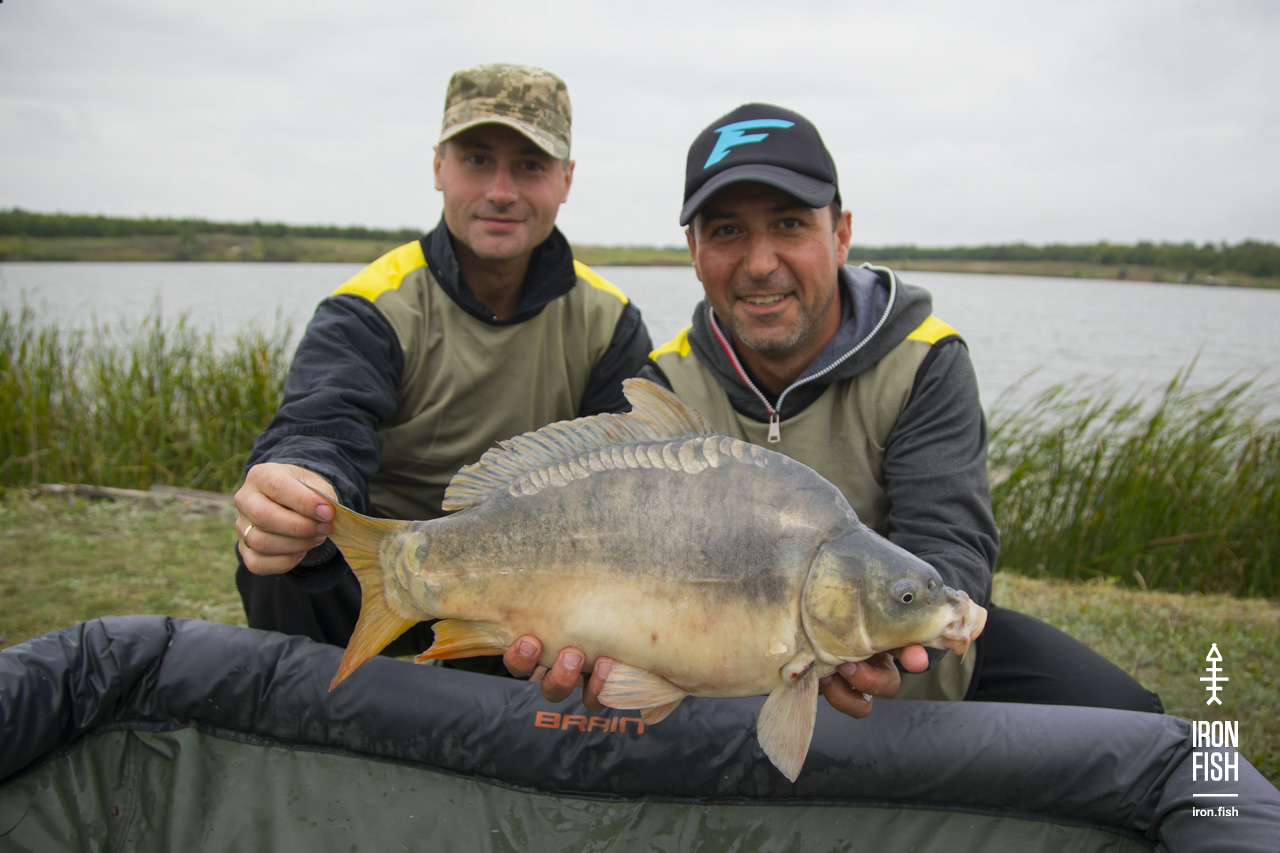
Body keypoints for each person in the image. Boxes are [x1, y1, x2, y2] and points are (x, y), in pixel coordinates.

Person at [643, 102, 1162, 717]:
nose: (760, 264)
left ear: (840, 236)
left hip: (903, 675)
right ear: (694, 251)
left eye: (789, 224)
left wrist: (890, 653)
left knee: (1128, 715)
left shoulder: (923, 360)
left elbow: (949, 540)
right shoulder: (664, 386)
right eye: (727, 232)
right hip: (723, 683)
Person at [233, 63, 652, 695]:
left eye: (530, 166)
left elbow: (626, 487)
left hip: (530, 577)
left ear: (566, 180)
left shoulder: (608, 320)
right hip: (378, 562)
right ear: (438, 167)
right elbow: (322, 425)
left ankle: (524, 737)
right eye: (478, 160)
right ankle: (307, 723)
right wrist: (301, 488)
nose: (502, 191)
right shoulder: (371, 306)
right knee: (281, 565)